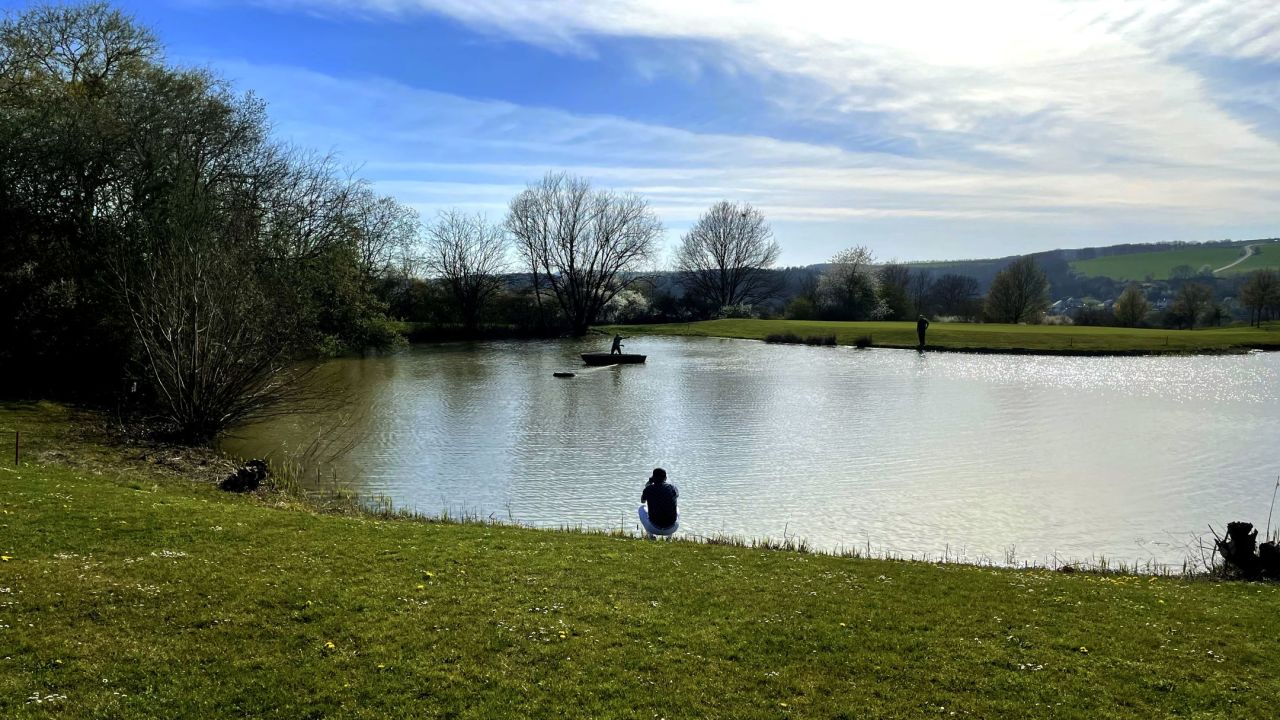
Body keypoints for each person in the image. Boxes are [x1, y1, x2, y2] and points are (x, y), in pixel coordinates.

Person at [638, 468, 678, 539]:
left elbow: (642, 501)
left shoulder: (648, 488)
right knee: (676, 508)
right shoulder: (673, 488)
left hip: (653, 528)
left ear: (653, 478)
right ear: (665, 478)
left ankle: (650, 536)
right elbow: (676, 496)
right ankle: (669, 539)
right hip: (671, 528)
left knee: (641, 508)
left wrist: (648, 484)